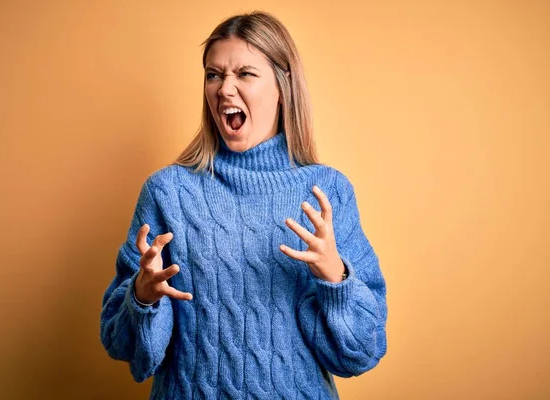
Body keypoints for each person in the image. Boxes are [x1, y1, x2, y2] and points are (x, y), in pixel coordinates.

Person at [100, 11, 387, 399]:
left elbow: (363, 352)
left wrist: (335, 277)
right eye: (214, 75)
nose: (224, 89)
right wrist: (142, 295)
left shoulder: (327, 191)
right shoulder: (167, 192)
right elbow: (119, 343)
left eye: (245, 74)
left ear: (282, 87)